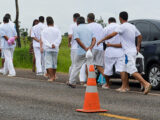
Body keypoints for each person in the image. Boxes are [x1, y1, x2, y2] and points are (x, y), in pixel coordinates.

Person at [97, 11, 151, 95]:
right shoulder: (132, 26)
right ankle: (124, 87)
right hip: (132, 51)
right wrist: (138, 46)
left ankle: (146, 84)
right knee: (124, 69)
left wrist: (102, 40)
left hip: (128, 52)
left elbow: (112, 35)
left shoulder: (122, 27)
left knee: (132, 70)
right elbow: (140, 36)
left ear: (120, 18)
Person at [68, 17, 96, 88]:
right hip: (89, 52)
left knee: (76, 66)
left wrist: (84, 48)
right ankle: (92, 83)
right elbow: (94, 39)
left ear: (77, 23)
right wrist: (90, 47)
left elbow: (77, 39)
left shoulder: (76, 29)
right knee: (90, 66)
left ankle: (72, 82)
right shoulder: (90, 28)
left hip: (81, 51)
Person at [102, 17, 125, 89]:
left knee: (107, 69)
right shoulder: (120, 27)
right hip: (120, 50)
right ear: (115, 21)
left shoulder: (105, 28)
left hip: (109, 50)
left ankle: (107, 84)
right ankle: (123, 86)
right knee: (121, 69)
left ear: (109, 22)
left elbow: (103, 41)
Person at [41, 17, 62, 82]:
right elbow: (59, 38)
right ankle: (54, 75)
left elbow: (44, 40)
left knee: (48, 63)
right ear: (53, 22)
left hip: (48, 48)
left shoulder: (44, 30)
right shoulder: (57, 30)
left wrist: (50, 45)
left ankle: (52, 77)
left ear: (47, 23)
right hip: (55, 48)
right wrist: (54, 44)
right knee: (54, 63)